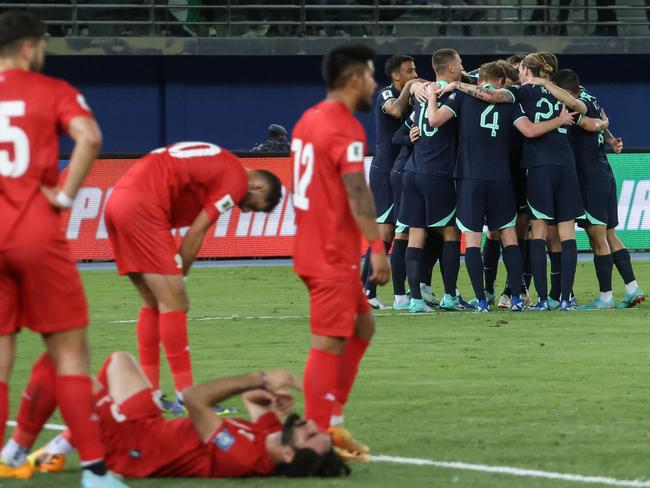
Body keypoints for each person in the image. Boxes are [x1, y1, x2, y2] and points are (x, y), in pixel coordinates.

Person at [0, 10, 127, 487]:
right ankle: (94, 472)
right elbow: (89, 136)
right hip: (34, 229)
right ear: (30, 47)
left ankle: (7, 455)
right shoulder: (50, 90)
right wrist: (66, 193)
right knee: (69, 353)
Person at [104, 142, 282, 414]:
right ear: (258, 187)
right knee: (175, 303)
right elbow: (197, 232)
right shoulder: (235, 180)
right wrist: (180, 276)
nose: (244, 211)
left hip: (118, 201)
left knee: (153, 302)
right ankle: (187, 396)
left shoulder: (222, 160)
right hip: (143, 208)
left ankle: (150, 394)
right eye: (254, 207)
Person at [14, 352, 351, 479]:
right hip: (149, 428)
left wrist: (260, 378)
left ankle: (16, 453)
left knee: (68, 368)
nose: (307, 422)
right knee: (119, 361)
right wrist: (266, 395)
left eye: (308, 433)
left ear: (289, 454)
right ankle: (61, 446)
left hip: (133, 451)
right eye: (313, 426)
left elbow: (194, 399)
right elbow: (252, 400)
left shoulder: (244, 456)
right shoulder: (272, 436)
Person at [291, 44, 390, 459]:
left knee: (362, 328)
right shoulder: (344, 126)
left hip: (317, 246)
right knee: (328, 343)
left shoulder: (308, 119)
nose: (374, 84)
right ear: (354, 79)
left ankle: (331, 422)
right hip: (330, 252)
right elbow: (356, 192)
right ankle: (317, 437)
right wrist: (378, 247)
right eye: (370, 76)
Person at [439, 52, 588, 311]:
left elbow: (438, 118)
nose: (514, 78)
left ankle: (493, 300)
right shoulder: (543, 95)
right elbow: (577, 110)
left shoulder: (516, 95)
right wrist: (560, 117)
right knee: (533, 235)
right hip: (531, 172)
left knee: (487, 236)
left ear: (526, 72)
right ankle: (548, 297)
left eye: (518, 72)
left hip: (488, 175)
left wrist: (456, 85)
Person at [551, 69, 645, 309]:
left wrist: (601, 126)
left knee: (597, 238)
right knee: (610, 234)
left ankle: (605, 297)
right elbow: (600, 121)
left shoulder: (575, 105)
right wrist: (611, 137)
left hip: (589, 178)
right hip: (604, 173)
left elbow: (592, 123)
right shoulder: (591, 97)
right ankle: (633, 288)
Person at [400, 48, 465, 313]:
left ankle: (414, 300)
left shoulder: (421, 92)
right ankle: (450, 295)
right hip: (437, 174)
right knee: (450, 232)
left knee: (416, 234)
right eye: (459, 63)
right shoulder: (454, 94)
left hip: (412, 171)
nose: (462, 66)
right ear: (450, 68)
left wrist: (415, 85)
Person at [362, 54, 418, 310]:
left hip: (402, 169)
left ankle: (369, 291)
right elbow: (395, 110)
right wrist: (409, 88)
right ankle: (371, 290)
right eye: (409, 70)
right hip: (385, 170)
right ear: (396, 75)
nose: (414, 74)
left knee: (395, 230)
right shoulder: (387, 94)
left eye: (415, 69)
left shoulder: (414, 96)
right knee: (388, 232)